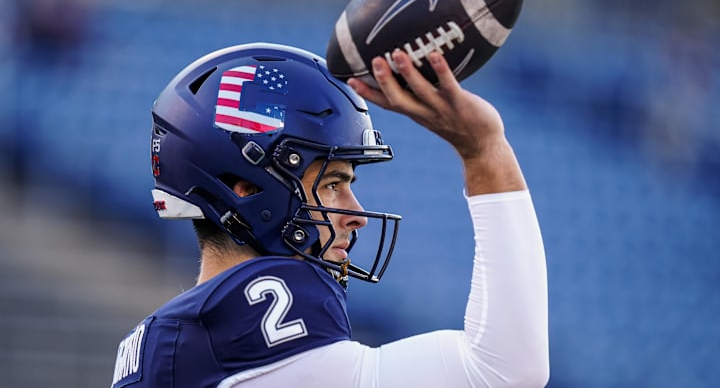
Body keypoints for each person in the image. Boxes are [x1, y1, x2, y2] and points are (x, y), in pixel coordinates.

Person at [111, 42, 549, 387]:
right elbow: (504, 368)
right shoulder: (257, 313)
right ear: (245, 187)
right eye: (333, 184)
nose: (355, 214)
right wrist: (484, 151)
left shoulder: (171, 341)